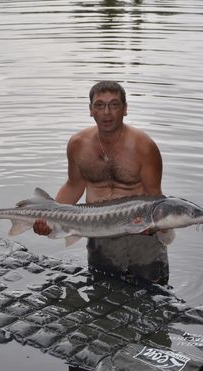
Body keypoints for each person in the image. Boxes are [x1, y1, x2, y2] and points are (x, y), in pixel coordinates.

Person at [33, 80, 169, 284]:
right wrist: (51, 218)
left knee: (154, 296)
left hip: (141, 237)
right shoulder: (78, 144)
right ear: (90, 110)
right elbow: (74, 185)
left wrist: (157, 227)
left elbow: (155, 197)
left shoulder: (144, 146)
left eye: (114, 105)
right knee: (102, 292)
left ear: (125, 109)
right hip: (98, 235)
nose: (107, 112)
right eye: (99, 105)